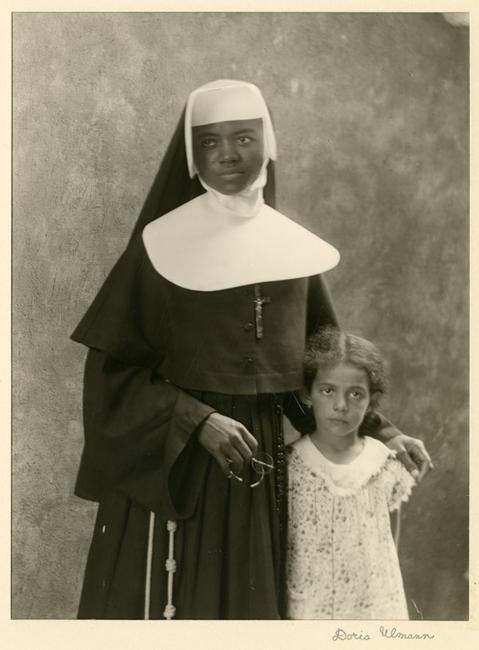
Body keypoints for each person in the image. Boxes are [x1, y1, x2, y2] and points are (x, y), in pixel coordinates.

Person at [71, 79, 432, 620]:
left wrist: (385, 432)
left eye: (243, 138)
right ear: (192, 156)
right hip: (178, 464)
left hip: (262, 469)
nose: (227, 155)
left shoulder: (293, 249)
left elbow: (323, 366)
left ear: (269, 142)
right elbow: (111, 376)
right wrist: (198, 421)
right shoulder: (158, 245)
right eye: (210, 142)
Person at [286, 327, 416, 620]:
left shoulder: (384, 464)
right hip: (309, 606)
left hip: (374, 607)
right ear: (308, 393)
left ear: (372, 399)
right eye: (328, 390)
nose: (341, 405)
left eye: (356, 394)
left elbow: (387, 545)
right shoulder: (290, 465)